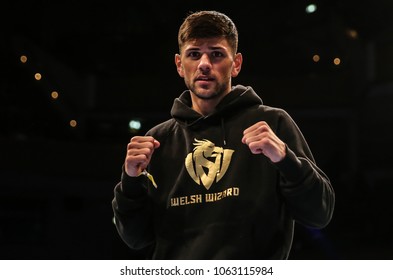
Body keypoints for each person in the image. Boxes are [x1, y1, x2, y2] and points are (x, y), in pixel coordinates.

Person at [112, 10, 335, 259]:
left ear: (236, 63)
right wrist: (130, 180)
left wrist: (285, 158)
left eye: (216, 54)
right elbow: (135, 238)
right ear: (179, 65)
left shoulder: (272, 123)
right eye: (194, 54)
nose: (204, 64)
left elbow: (319, 214)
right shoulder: (157, 141)